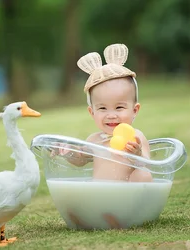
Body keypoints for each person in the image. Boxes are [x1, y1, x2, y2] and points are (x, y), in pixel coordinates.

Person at [52, 43, 152, 182]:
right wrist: (66, 152)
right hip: (101, 196)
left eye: (119, 108)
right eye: (102, 108)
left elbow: (147, 165)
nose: (111, 115)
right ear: (92, 112)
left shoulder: (136, 138)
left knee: (143, 175)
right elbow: (80, 161)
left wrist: (136, 154)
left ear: (134, 110)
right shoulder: (94, 140)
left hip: (129, 197)